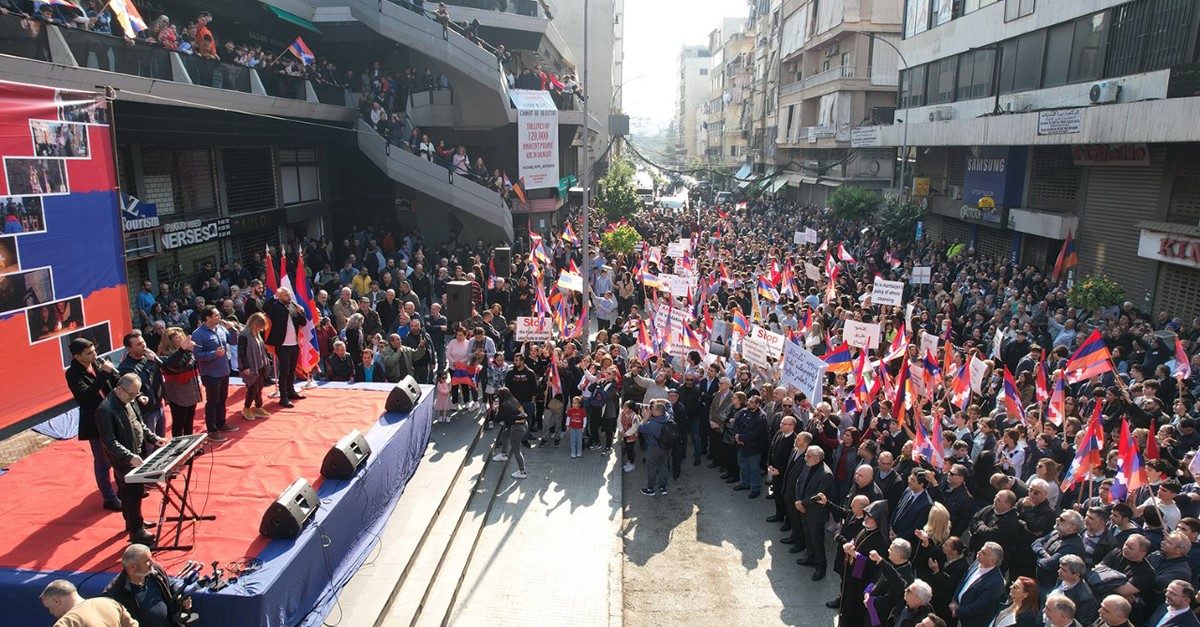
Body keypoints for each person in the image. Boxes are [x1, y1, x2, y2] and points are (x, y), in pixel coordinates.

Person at [96, 373, 165, 545]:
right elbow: (109, 442)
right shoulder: (105, 409)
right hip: (123, 459)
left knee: (130, 492)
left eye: (136, 394)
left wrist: (153, 438)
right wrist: (129, 456)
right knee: (133, 492)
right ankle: (136, 531)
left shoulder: (129, 400)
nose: (134, 398)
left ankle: (134, 521)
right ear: (119, 389)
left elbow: (139, 424)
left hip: (136, 452)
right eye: (131, 394)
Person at [64, 337, 122, 511]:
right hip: (95, 419)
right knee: (103, 461)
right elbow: (85, 396)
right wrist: (103, 374)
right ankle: (109, 497)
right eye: (89, 353)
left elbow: (111, 384)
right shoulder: (73, 373)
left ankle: (123, 489)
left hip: (112, 414)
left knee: (119, 454)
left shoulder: (97, 364)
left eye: (94, 350)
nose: (94, 355)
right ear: (77, 357)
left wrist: (112, 374)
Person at [102, 543, 191, 627]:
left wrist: (179, 595)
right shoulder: (114, 594)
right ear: (133, 567)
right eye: (147, 561)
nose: (152, 562)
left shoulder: (155, 570)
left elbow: (171, 583)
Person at [191, 306, 238, 442]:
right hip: (210, 374)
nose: (219, 317)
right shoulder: (198, 334)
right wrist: (214, 354)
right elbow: (197, 355)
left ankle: (221, 423)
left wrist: (231, 329)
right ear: (208, 318)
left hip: (224, 371)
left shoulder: (221, 329)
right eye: (216, 315)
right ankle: (212, 429)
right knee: (212, 401)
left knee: (222, 400)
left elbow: (233, 340)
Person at [263, 286, 309, 408]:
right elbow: (265, 307)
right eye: (286, 295)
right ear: (279, 296)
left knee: (292, 370)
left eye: (289, 295)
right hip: (282, 344)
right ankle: (283, 397)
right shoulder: (275, 306)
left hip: (294, 344)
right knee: (284, 371)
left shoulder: (293, 306)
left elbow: (302, 323)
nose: (289, 297)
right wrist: (274, 297)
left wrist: (301, 312)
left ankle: (291, 391)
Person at [118, 330, 166, 439]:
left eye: (143, 342)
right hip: (145, 411)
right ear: (129, 348)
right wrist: (149, 363)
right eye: (138, 344)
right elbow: (141, 382)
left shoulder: (148, 358)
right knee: (150, 444)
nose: (143, 346)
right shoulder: (126, 367)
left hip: (158, 405)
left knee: (162, 440)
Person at [795, 445, 833, 580]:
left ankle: (820, 566)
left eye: (808, 456)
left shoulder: (826, 474)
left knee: (817, 540)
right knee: (808, 536)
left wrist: (802, 503)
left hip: (815, 513)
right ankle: (810, 557)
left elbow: (819, 495)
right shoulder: (808, 465)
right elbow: (799, 482)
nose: (805, 458)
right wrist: (798, 500)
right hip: (803, 509)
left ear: (817, 458)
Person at [158, 327, 202, 437]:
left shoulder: (186, 352)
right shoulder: (165, 355)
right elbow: (178, 366)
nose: (181, 339)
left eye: (181, 336)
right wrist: (186, 350)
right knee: (179, 422)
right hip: (177, 393)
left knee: (189, 420)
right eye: (177, 337)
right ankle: (178, 447)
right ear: (170, 341)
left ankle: (189, 444)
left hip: (191, 390)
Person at [950, 542, 1007, 627]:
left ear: (992, 561)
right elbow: (963, 580)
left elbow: (981, 606)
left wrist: (958, 611)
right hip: (960, 613)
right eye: (981, 549)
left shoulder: (995, 583)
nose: (978, 552)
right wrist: (954, 600)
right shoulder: (977, 562)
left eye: (983, 553)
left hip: (973, 622)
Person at [40, 579, 137, 627]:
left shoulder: (66, 623)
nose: (51, 612)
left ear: (56, 601)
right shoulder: (110, 603)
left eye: (49, 607)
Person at [237, 312, 271, 420]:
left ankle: (258, 406)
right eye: (260, 326)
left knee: (260, 386)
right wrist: (245, 367)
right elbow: (241, 352)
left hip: (260, 364)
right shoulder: (244, 335)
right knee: (253, 387)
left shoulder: (256, 334)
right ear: (255, 323)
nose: (260, 329)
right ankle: (246, 407)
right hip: (250, 366)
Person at [639, 399, 674, 496]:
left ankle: (650, 489)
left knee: (652, 468)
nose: (652, 411)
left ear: (658, 412)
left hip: (654, 449)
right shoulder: (669, 417)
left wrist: (646, 417)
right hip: (666, 448)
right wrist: (658, 400)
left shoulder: (653, 424)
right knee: (664, 466)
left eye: (653, 409)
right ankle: (663, 487)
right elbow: (668, 403)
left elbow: (640, 428)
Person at [492, 387, 528, 479]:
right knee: (504, 434)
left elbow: (497, 419)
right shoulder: (513, 400)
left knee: (516, 450)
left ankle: (522, 471)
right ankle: (503, 454)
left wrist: (494, 409)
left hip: (516, 429)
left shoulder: (504, 405)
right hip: (523, 425)